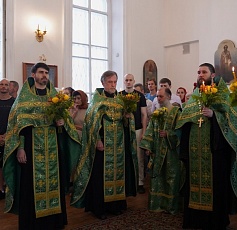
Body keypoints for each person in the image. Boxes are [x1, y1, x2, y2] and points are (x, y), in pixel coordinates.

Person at [3, 62, 81, 230]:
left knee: (55, 183)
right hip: (31, 148)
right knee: (30, 186)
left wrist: (61, 123)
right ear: (33, 75)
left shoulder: (54, 96)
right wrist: (21, 148)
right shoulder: (24, 97)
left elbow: (63, 122)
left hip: (52, 147)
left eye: (46, 72)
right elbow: (19, 126)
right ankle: (33, 223)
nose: (44, 75)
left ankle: (53, 221)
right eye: (41, 72)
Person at [176, 63, 237, 229]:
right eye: (198, 72)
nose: (201, 75)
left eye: (204, 72)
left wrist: (214, 115)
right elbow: (185, 119)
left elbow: (232, 119)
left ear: (213, 74)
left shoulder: (223, 94)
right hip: (194, 151)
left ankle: (215, 221)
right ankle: (194, 220)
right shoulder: (194, 95)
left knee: (216, 186)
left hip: (215, 151)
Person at [71, 70, 138, 220]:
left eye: (115, 82)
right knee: (100, 176)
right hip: (102, 145)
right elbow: (91, 123)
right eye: (110, 82)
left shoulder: (120, 100)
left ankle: (115, 206)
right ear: (103, 83)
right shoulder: (97, 100)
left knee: (117, 173)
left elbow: (125, 121)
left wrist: (127, 117)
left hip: (118, 144)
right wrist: (97, 140)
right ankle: (99, 208)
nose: (113, 85)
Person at [140, 88, 182, 214]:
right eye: (157, 96)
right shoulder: (157, 113)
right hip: (158, 150)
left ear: (169, 97)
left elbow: (181, 131)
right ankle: (158, 204)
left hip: (171, 152)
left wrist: (169, 134)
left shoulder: (176, 112)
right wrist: (148, 146)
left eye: (161, 96)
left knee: (171, 177)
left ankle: (171, 206)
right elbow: (150, 130)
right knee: (158, 176)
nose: (158, 99)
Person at [121, 74, 147, 194]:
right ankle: (126, 181)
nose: (128, 82)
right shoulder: (119, 95)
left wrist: (144, 131)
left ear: (134, 81)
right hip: (123, 129)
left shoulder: (140, 96)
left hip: (137, 129)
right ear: (124, 81)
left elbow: (144, 114)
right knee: (124, 155)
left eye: (130, 80)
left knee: (139, 156)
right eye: (126, 80)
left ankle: (140, 181)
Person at [0, 79, 15, 200]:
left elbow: (15, 121)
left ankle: (8, 188)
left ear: (10, 87)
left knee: (9, 163)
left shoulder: (14, 102)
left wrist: (6, 135)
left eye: (6, 85)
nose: (4, 87)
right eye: (1, 84)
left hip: (9, 137)